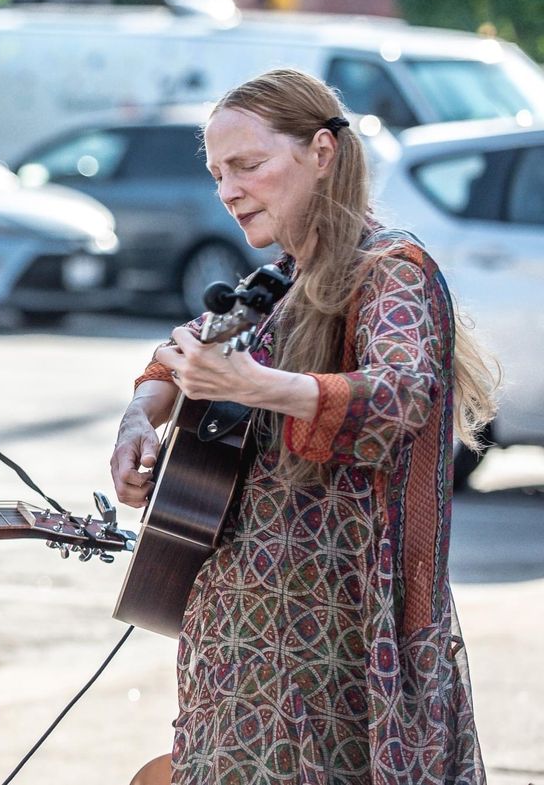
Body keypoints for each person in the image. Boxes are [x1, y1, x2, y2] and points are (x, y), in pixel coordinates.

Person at [111, 69, 498, 785]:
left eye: (248, 165)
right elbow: (177, 350)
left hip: (341, 662)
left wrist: (256, 385)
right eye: (218, 173)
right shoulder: (280, 283)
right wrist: (142, 414)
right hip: (240, 663)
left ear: (321, 151)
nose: (227, 191)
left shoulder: (393, 272)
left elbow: (399, 399)